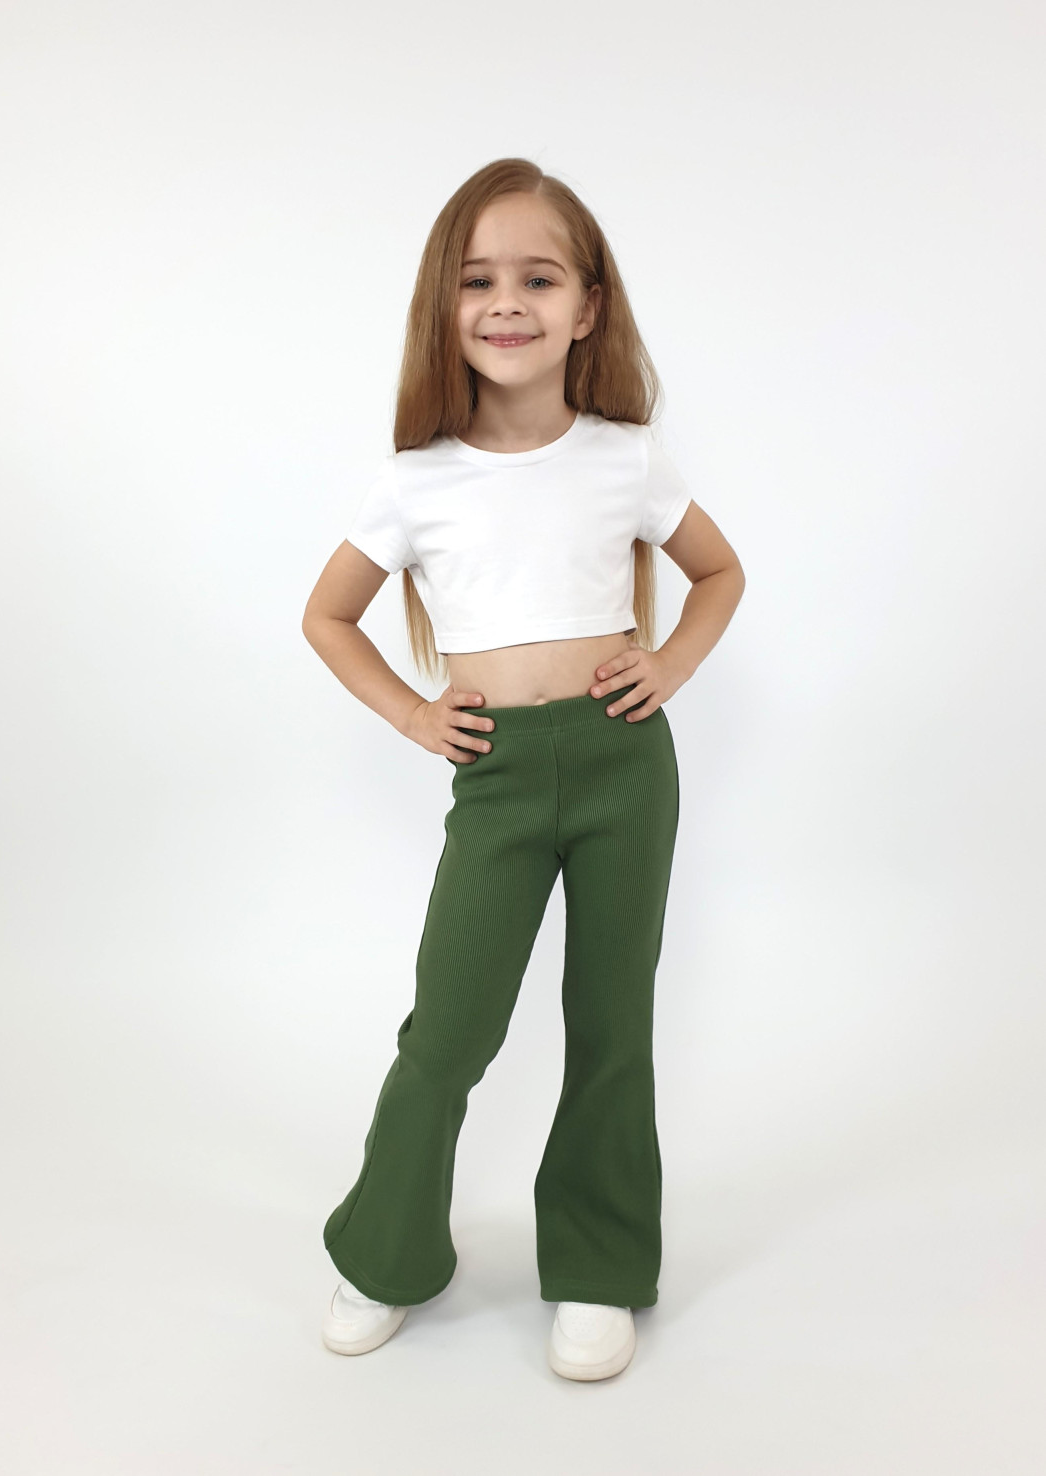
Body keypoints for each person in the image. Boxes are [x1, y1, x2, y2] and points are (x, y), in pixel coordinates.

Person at [302, 157, 745, 1381]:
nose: (506, 302)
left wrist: (669, 664)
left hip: (620, 769)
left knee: (610, 1019)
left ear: (587, 306)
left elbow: (719, 573)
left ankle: (599, 1263)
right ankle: (385, 1250)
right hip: (495, 778)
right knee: (446, 1030)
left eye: (538, 279)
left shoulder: (626, 456)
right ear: (442, 306)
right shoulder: (415, 480)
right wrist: (412, 715)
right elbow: (327, 617)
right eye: (476, 279)